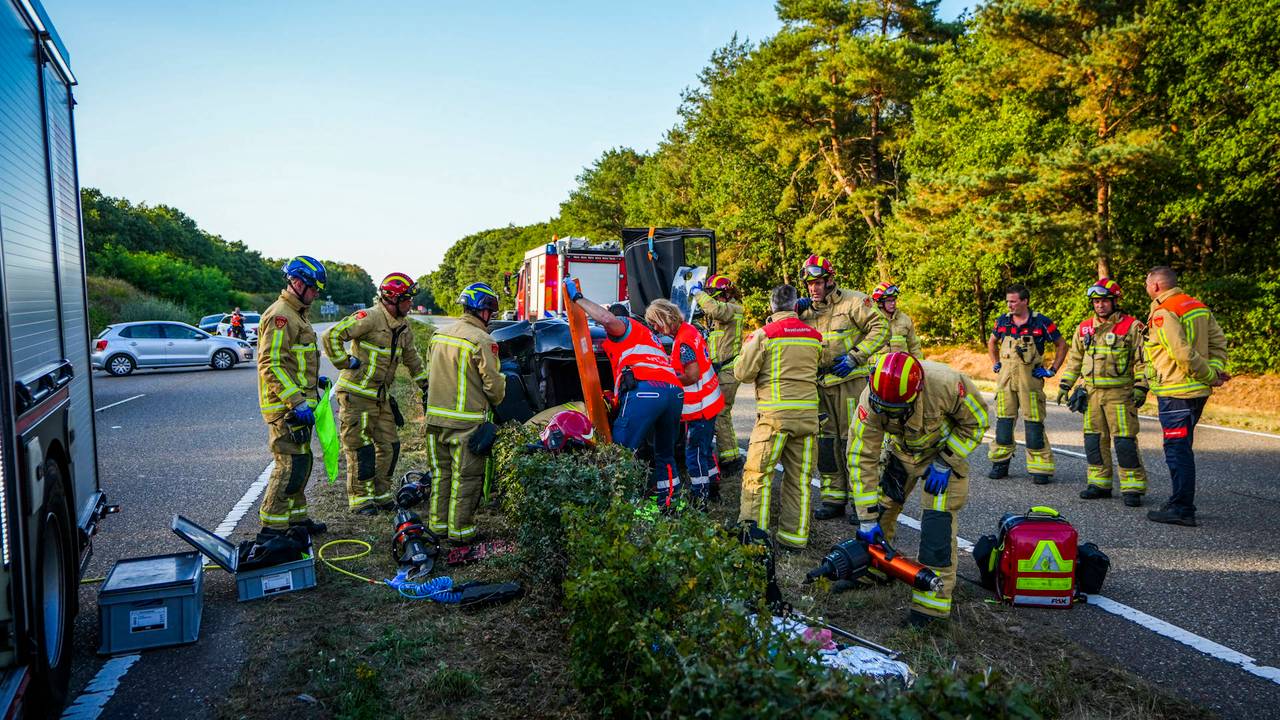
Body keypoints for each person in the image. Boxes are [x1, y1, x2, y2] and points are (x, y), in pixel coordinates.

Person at [848, 352, 989, 625]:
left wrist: (946, 459)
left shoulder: (948, 384)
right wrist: (865, 518)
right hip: (901, 453)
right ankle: (876, 570)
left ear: (917, 392)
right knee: (880, 509)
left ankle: (931, 608)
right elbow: (861, 455)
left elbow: (978, 422)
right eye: (884, 409)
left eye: (896, 410)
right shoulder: (873, 397)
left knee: (937, 526)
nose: (889, 414)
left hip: (941, 457)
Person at [564, 277, 684, 504]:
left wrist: (578, 298)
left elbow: (608, 319)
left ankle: (621, 507)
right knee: (665, 454)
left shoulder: (624, 325)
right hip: (674, 392)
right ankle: (670, 504)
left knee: (618, 453)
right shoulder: (650, 337)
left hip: (648, 390)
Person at [321, 272, 430, 515]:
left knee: (390, 445)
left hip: (381, 397)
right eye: (407, 299)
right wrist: (345, 362)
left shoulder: (403, 327)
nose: (411, 304)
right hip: (356, 395)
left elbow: (412, 358)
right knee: (361, 448)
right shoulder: (369, 318)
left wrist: (426, 385)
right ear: (392, 299)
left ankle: (381, 495)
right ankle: (360, 500)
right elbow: (331, 336)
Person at [794, 254, 889, 521]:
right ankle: (833, 498)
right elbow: (776, 330)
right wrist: (791, 311)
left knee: (853, 443)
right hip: (820, 385)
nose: (813, 288)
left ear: (830, 280)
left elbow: (881, 329)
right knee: (826, 444)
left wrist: (854, 356)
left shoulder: (854, 301)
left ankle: (862, 503)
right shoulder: (804, 310)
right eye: (809, 283)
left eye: (818, 282)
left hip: (850, 382)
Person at [735, 285, 822, 549]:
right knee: (800, 480)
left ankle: (755, 538)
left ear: (772, 307)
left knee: (758, 475)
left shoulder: (764, 335)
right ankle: (794, 539)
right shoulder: (815, 336)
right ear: (796, 306)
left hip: (774, 419)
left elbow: (742, 373)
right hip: (808, 419)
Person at [1142, 266, 1229, 527]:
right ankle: (1179, 500)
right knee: (1182, 447)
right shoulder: (1196, 305)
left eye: (1147, 283)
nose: (1146, 288)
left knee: (1177, 450)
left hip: (1176, 391)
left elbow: (1181, 352)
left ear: (1156, 285)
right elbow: (1218, 342)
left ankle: (1182, 508)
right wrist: (1214, 369)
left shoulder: (1164, 311)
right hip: (1195, 392)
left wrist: (1209, 375)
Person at [424, 282, 506, 543]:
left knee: (441, 475)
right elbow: (493, 386)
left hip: (435, 420)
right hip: (465, 423)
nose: (491, 317)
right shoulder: (483, 340)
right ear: (482, 311)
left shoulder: (439, 335)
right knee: (466, 478)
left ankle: (437, 527)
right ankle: (460, 533)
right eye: (490, 312)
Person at [1056, 279, 1149, 507]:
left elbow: (1143, 360)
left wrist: (1141, 387)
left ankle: (1132, 488)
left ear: (1115, 302)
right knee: (1094, 441)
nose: (1100, 306)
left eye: (1105, 301)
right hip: (1092, 394)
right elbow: (1075, 359)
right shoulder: (1084, 327)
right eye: (1097, 302)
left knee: (1124, 442)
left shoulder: (1131, 326)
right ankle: (1099, 484)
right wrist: (1065, 385)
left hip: (1121, 394)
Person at [256, 256, 328, 536]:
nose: (316, 293)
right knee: (287, 466)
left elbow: (294, 361)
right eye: (313, 287)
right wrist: (296, 400)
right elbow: (271, 364)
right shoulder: (281, 315)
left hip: (298, 407)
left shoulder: (298, 313)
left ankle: (297, 521)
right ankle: (272, 530)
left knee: (301, 463)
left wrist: (313, 381)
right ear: (297, 283)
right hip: (285, 409)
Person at [646, 299, 725, 505]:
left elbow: (692, 375)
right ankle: (713, 485)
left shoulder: (683, 343)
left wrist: (667, 378)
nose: (654, 328)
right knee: (706, 449)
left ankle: (700, 496)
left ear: (664, 318)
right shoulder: (689, 330)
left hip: (700, 407)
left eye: (655, 323)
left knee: (694, 453)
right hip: (710, 400)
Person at [987, 283, 1066, 484]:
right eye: (1008, 301)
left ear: (1025, 301)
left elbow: (1061, 344)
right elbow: (992, 342)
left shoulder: (1041, 322)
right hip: (1006, 382)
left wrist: (1052, 370)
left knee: (1033, 427)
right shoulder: (1003, 321)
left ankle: (1040, 469)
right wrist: (996, 363)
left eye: (1013, 301)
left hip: (1030, 383)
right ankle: (1000, 464)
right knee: (1003, 425)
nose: (1009, 305)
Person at [691, 274, 746, 472]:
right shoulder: (721, 316)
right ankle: (728, 456)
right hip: (720, 370)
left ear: (724, 294)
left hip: (728, 371)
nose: (711, 299)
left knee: (721, 413)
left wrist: (698, 294)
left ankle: (731, 460)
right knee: (719, 413)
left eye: (713, 295)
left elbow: (715, 309)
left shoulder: (733, 309)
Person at [870, 282, 921, 358]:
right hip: (876, 368)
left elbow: (914, 346)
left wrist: (919, 365)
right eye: (889, 300)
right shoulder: (871, 320)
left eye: (894, 300)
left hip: (900, 367)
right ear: (880, 303)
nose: (893, 303)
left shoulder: (905, 319)